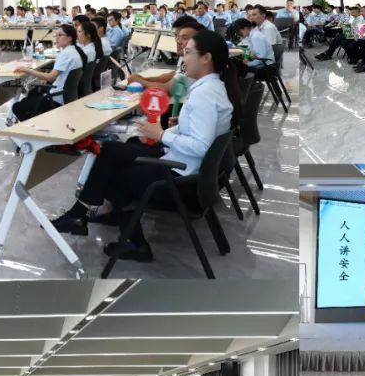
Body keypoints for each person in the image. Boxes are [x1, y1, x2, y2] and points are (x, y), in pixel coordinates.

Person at [51, 30, 240, 263]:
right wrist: (175, 129)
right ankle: (80, 214)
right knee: (111, 150)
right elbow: (201, 134)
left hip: (181, 177)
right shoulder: (212, 88)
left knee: (115, 175)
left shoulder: (204, 95)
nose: (183, 57)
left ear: (206, 58)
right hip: (184, 164)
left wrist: (161, 135)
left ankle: (134, 243)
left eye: (189, 52)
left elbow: (201, 146)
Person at [12, 23, 86, 111]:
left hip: (55, 99)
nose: (56, 38)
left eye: (60, 35)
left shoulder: (66, 54)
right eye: (56, 35)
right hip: (66, 96)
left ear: (70, 38)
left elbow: (50, 78)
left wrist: (27, 70)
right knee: (31, 95)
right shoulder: (73, 51)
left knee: (17, 107)